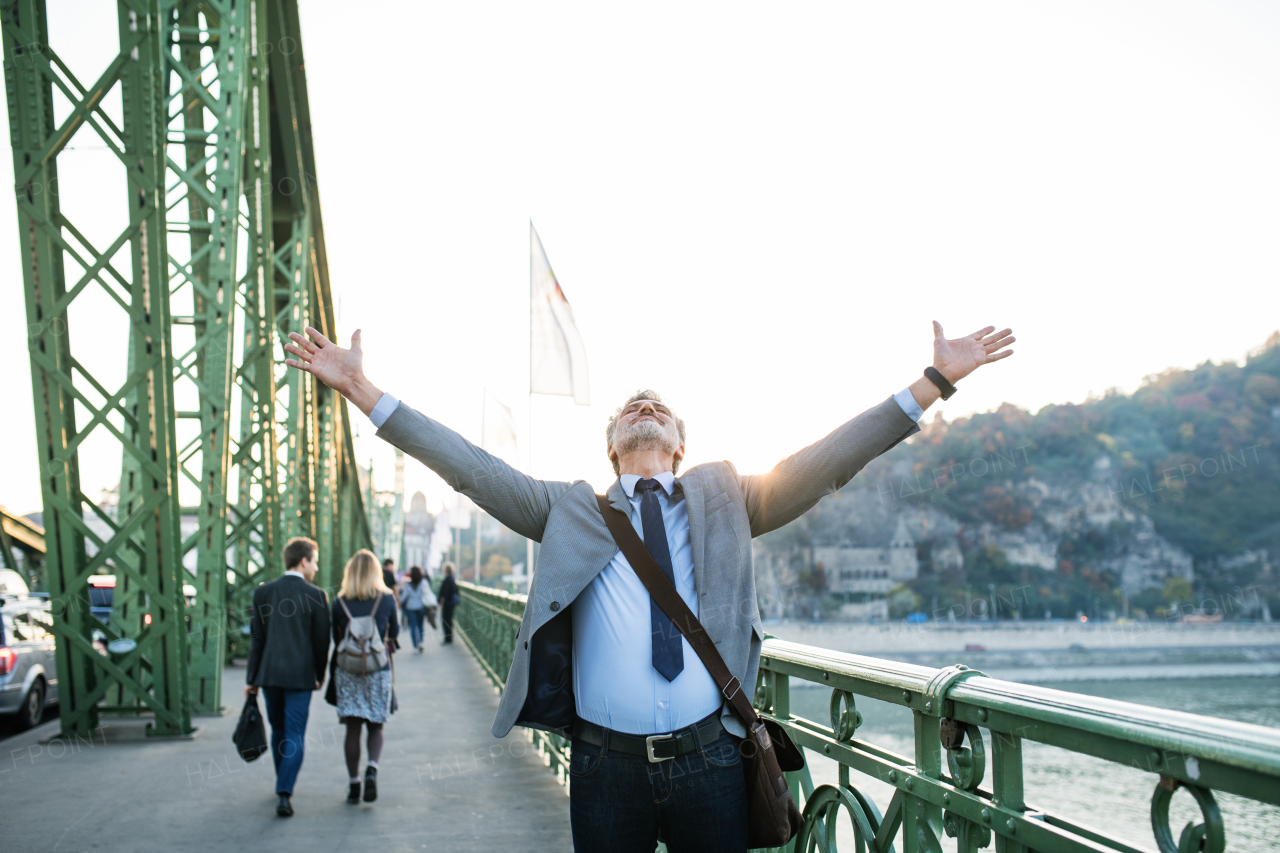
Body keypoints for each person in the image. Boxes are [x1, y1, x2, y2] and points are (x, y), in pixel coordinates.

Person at [284, 320, 1014, 851]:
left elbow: (827, 461)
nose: (645, 407)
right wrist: (360, 388)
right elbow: (470, 467)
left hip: (710, 759)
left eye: (657, 407)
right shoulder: (568, 509)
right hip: (605, 766)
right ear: (611, 447)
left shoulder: (729, 497)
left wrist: (935, 382)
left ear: (679, 444)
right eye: (632, 408)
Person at [245, 536, 331, 818]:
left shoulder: (263, 593)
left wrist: (252, 679)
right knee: (295, 734)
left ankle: (282, 784)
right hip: (300, 676)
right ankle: (285, 791)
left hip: (269, 675)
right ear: (304, 561)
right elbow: (321, 643)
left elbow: (256, 639)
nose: (316, 568)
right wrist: (320, 674)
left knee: (279, 731)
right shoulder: (317, 596)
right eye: (315, 561)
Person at [332, 549, 399, 804]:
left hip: (348, 670)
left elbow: (335, 637)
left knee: (352, 728)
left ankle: (353, 784)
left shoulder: (339, 602)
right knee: (375, 726)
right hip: (377, 668)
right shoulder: (386, 599)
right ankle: (372, 767)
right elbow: (395, 631)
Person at [398, 566, 438, 651]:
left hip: (411, 607)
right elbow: (428, 593)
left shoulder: (408, 584)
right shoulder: (424, 582)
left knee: (413, 626)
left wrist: (398, 601)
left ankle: (415, 646)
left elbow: (404, 596)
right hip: (421, 607)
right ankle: (421, 642)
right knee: (420, 625)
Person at [437, 563, 459, 645]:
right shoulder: (452, 579)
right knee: (449, 620)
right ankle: (449, 638)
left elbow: (444, 593)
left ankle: (448, 639)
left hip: (447, 604)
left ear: (445, 570)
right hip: (451, 603)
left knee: (446, 621)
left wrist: (441, 603)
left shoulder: (447, 580)